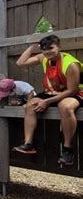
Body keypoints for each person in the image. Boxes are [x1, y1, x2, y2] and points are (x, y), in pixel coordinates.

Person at [13, 35, 83, 165]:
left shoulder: (71, 64)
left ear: (59, 47)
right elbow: (20, 63)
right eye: (44, 49)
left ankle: (68, 150)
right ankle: (28, 144)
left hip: (76, 91)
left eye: (50, 48)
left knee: (65, 107)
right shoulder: (43, 58)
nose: (47, 52)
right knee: (30, 105)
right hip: (53, 92)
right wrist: (33, 46)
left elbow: (72, 90)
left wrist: (47, 102)